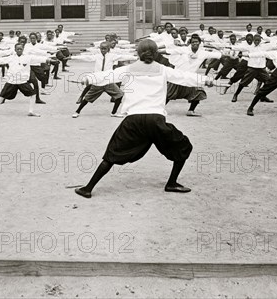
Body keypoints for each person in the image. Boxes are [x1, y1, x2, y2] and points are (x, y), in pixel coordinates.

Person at [74, 39, 227, 199]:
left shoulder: (128, 69)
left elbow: (107, 76)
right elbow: (184, 77)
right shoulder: (163, 69)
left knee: (111, 155)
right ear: (155, 54)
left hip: (133, 120)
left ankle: (88, 188)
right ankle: (172, 183)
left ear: (138, 53)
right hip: (156, 120)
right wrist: (207, 80)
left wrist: (88, 79)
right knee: (183, 147)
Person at [0, 43, 54, 117]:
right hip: (12, 81)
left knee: (33, 94)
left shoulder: (28, 57)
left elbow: (38, 58)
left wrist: (49, 60)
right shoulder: (10, 57)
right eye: (17, 49)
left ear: (23, 49)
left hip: (22, 81)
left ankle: (31, 111)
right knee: (2, 96)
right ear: (15, 50)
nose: (19, 50)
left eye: (21, 49)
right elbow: (1, 60)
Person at [71, 42, 137, 118]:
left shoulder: (112, 56)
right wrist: (71, 58)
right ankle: (77, 111)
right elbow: (86, 57)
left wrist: (135, 58)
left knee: (120, 95)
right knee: (87, 98)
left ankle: (114, 113)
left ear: (108, 49)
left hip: (108, 81)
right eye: (101, 48)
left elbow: (123, 57)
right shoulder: (97, 56)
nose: (102, 50)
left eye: (104, 49)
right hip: (98, 82)